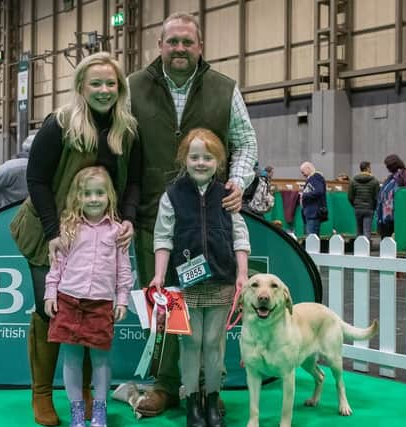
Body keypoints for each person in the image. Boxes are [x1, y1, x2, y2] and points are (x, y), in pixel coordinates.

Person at [128, 12, 257, 416]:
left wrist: (236, 183)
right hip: (156, 217)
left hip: (212, 222)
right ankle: (167, 386)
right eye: (172, 42)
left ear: (199, 47)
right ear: (159, 45)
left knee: (211, 323)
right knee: (166, 306)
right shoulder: (132, 87)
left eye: (187, 42)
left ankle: (208, 391)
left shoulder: (225, 89)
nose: (180, 48)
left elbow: (246, 141)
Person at [23, 52, 139, 426]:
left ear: (119, 88)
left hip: (98, 227)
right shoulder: (59, 123)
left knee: (90, 315)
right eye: (96, 83)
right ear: (81, 87)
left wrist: (129, 220)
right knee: (49, 309)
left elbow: (134, 181)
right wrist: (54, 232)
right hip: (50, 228)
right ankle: (42, 394)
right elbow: (36, 180)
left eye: (111, 84)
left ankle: (88, 397)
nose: (104, 90)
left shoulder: (127, 128)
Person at [150, 129, 249, 427]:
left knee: (213, 342)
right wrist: (158, 274)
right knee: (191, 343)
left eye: (208, 157)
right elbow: (163, 237)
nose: (201, 162)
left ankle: (212, 400)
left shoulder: (227, 195)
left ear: (218, 161)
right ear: (184, 159)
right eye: (194, 157)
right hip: (184, 284)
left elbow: (239, 235)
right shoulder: (172, 196)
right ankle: (192, 400)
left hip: (221, 281)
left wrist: (242, 273)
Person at [44, 166, 132, 427]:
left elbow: (124, 269)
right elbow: (56, 266)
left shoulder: (117, 232)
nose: (93, 199)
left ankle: (100, 411)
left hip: (101, 303)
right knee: (71, 358)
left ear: (109, 197)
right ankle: (77, 413)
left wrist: (123, 298)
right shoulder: (68, 228)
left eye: (99, 193)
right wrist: (51, 293)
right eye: (87, 194)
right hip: (68, 300)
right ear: (78, 197)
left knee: (101, 359)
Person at [377, 154, 406, 237]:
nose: (388, 168)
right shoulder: (390, 178)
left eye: (389, 166)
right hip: (387, 217)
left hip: (400, 215)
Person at [348, 161, 379, 240]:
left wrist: (355, 204)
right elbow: (376, 197)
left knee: (359, 230)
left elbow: (350, 196)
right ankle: (366, 249)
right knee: (367, 230)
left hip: (358, 208)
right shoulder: (375, 181)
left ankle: (358, 249)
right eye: (370, 168)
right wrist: (374, 207)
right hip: (369, 208)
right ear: (367, 168)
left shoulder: (353, 181)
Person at [299, 161, 327, 236]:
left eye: (303, 172)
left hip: (313, 214)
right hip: (310, 213)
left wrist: (304, 195)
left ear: (308, 168)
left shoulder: (316, 177)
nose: (303, 174)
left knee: (311, 239)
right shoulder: (312, 178)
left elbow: (319, 191)